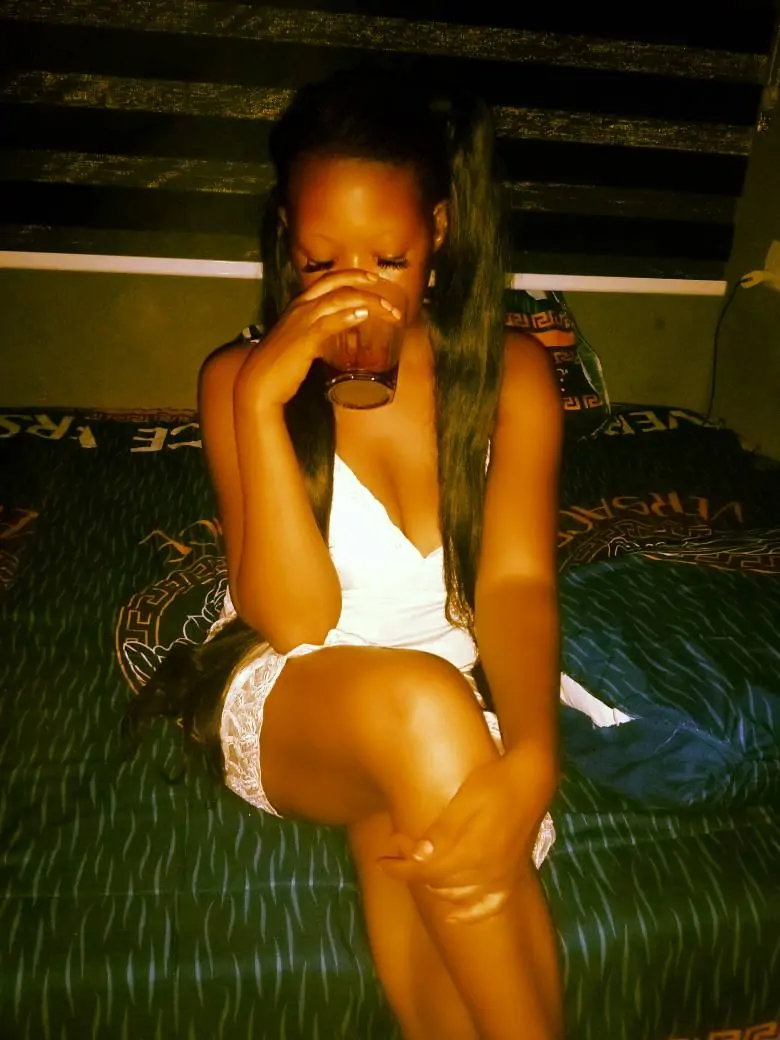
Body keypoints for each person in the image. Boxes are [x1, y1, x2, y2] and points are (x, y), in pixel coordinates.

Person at [126, 67, 565, 1039]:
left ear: (439, 232)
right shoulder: (237, 379)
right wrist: (261, 405)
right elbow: (296, 620)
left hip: (439, 718)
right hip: (297, 694)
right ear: (288, 239)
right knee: (424, 707)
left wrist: (535, 756)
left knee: (442, 893)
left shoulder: (515, 375)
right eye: (323, 263)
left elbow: (518, 582)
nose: (356, 297)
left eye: (389, 260)